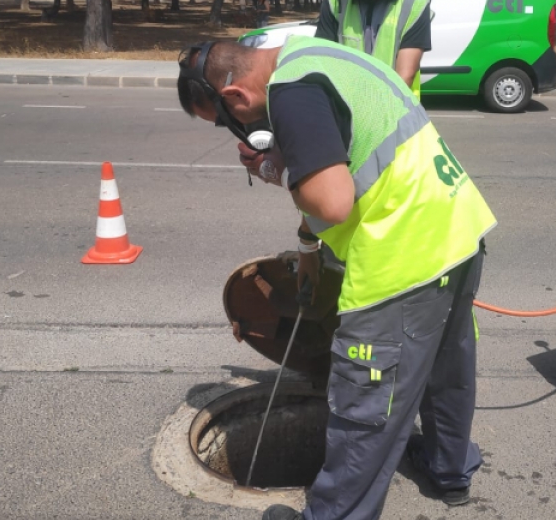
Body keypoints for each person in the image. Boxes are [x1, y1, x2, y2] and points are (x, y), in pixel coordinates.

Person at [177, 37, 496, 520]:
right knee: (444, 368)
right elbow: (350, 156)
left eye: (227, 121)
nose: (238, 130)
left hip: (401, 260)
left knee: (363, 405)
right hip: (459, 230)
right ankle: (448, 470)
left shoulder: (291, 92)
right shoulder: (316, 55)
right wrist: (308, 246)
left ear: (235, 96)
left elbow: (331, 199)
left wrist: (277, 170)